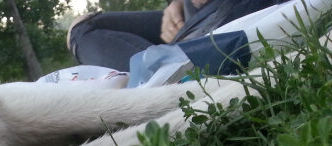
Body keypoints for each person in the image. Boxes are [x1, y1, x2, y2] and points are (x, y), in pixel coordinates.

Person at [67, 0, 282, 72]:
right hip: (194, 17)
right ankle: (164, 68)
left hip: (240, 10)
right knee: (82, 29)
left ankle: (170, 75)